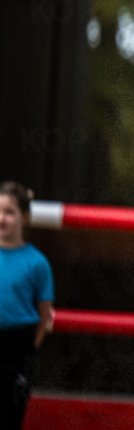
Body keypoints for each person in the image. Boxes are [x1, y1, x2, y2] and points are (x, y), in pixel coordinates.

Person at [0, 181, 54, 430]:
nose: (2, 219)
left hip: (18, 347)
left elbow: (45, 316)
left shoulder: (37, 263)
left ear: (25, 217)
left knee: (11, 413)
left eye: (9, 212)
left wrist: (28, 350)